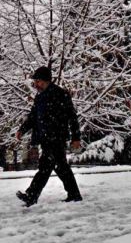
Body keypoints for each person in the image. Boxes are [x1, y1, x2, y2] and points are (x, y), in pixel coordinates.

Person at [15, 66, 83, 207]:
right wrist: (22, 130)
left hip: (56, 137)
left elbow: (72, 117)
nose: (36, 84)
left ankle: (31, 196)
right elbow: (33, 117)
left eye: (38, 81)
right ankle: (74, 194)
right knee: (61, 167)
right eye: (35, 81)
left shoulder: (61, 94)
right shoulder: (39, 98)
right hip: (44, 138)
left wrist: (76, 138)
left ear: (46, 81)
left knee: (45, 167)